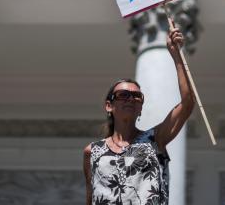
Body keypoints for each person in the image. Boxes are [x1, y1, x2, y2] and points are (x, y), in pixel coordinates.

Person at [83, 18, 194, 205]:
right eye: (123, 95)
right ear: (109, 106)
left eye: (137, 96)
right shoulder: (91, 151)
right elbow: (90, 199)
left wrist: (176, 56)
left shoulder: (155, 139)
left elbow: (188, 103)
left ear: (141, 107)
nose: (131, 99)